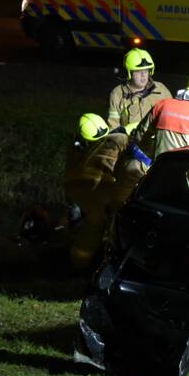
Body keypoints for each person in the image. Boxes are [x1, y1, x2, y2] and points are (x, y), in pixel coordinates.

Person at [63, 113, 131, 269]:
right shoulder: (119, 141)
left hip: (84, 193)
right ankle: (84, 263)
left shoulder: (80, 148)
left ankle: (82, 262)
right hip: (97, 193)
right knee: (96, 224)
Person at [132, 67, 189, 158]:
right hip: (188, 167)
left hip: (160, 166)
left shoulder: (163, 105)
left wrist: (153, 154)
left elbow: (139, 135)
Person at [107, 48, 171, 132]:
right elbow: (113, 127)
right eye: (138, 71)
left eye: (146, 71)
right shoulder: (117, 94)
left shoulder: (161, 90)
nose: (143, 75)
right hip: (130, 139)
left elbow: (172, 118)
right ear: (129, 73)